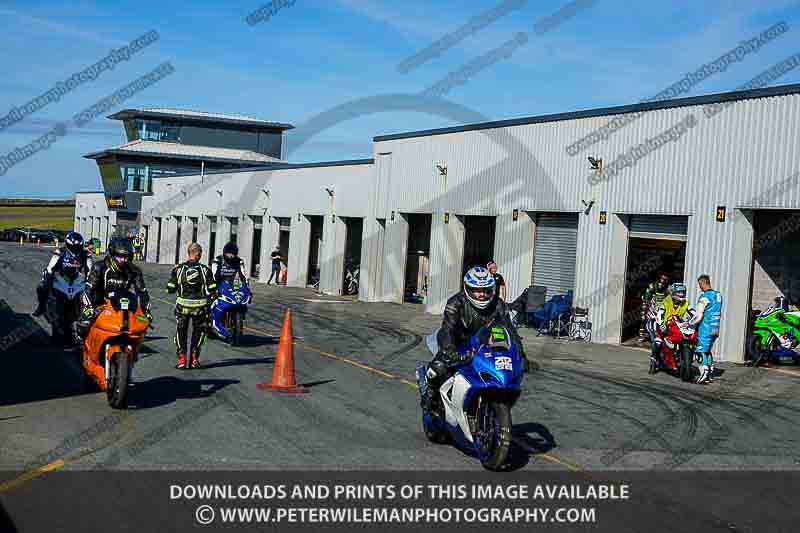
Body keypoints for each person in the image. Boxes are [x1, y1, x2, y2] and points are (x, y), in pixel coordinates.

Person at [422, 267, 536, 415]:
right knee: (437, 369)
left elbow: (511, 331)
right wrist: (449, 351)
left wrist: (521, 356)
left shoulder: (498, 304)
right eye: (477, 290)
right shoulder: (456, 303)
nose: (482, 294)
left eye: (486, 290)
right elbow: (447, 329)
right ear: (468, 289)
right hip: (458, 343)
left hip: (484, 345)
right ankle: (430, 398)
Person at [78, 237, 151, 338]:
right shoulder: (99, 267)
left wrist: (146, 312)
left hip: (122, 305)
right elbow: (88, 289)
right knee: (84, 324)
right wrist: (88, 308)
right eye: (119, 256)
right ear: (112, 254)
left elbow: (142, 292)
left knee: (141, 327)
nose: (123, 260)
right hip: (99, 304)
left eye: (126, 256)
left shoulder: (134, 271)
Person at [167, 243, 217, 369]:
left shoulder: (178, 269)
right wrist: (215, 295)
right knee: (199, 332)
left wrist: (174, 286)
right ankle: (194, 358)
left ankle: (182, 359)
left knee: (181, 331)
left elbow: (170, 289)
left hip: (182, 307)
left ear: (189, 253)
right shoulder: (205, 269)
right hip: (200, 308)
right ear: (198, 254)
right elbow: (212, 288)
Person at [33, 231, 93, 317]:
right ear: (67, 244)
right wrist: (47, 276)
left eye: (77, 247)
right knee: (41, 287)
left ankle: (89, 314)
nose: (75, 249)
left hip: (77, 278)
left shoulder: (86, 254)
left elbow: (90, 270)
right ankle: (41, 307)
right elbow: (50, 267)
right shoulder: (60, 252)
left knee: (91, 290)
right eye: (73, 247)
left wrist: (88, 281)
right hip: (61, 277)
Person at [688, 274, 722, 384]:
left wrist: (688, 323)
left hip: (705, 328)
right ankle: (710, 374)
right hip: (715, 328)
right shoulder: (718, 295)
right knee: (707, 351)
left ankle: (703, 373)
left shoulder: (704, 297)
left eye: (699, 284)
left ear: (703, 283)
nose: (699, 287)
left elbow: (698, 316)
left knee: (700, 351)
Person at [649, 282, 689, 368]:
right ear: (673, 292)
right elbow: (660, 314)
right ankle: (654, 357)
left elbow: (692, 312)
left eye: (683, 292)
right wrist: (661, 324)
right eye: (679, 292)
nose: (681, 294)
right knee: (658, 342)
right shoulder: (666, 301)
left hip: (677, 326)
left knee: (685, 339)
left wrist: (693, 321)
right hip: (664, 326)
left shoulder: (685, 303)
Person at [641, 272, 670, 343]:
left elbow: (669, 298)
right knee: (643, 316)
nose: (662, 283)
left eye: (664, 280)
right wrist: (647, 301)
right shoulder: (652, 285)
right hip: (651, 305)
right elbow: (646, 296)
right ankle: (641, 335)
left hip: (661, 306)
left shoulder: (667, 288)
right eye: (661, 279)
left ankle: (661, 335)